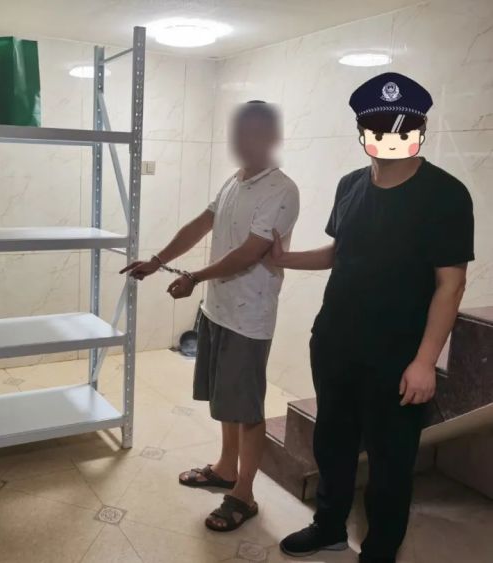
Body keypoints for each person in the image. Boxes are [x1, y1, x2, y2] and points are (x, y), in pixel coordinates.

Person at [275, 73, 474, 563]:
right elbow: (339, 253)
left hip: (398, 355)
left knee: (390, 460)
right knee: (333, 443)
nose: (389, 139)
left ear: (420, 130)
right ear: (363, 132)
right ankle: (328, 526)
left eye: (402, 129)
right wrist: (282, 258)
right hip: (335, 342)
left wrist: (425, 362)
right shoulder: (350, 185)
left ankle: (380, 550)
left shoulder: (446, 194)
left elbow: (450, 284)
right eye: (378, 129)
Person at [121, 100, 300, 532]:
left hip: (250, 316)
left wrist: (194, 277)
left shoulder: (281, 190)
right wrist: (158, 260)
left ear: (272, 138)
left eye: (253, 132)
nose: (243, 141)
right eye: (239, 132)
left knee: (247, 407)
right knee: (225, 400)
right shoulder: (234, 181)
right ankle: (225, 468)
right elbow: (200, 225)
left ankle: (244, 495)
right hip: (219, 309)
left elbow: (250, 253)